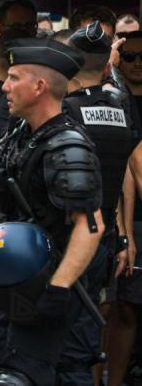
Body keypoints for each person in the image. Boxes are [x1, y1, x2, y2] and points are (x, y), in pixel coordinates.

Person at [0, 38, 105, 386]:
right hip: (16, 292)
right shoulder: (21, 136)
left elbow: (91, 226)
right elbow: (3, 209)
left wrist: (58, 290)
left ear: (39, 87)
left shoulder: (67, 145)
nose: (5, 86)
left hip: (53, 296)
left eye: (14, 77)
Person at [55, 20, 136, 385]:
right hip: (105, 233)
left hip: (67, 236)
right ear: (108, 65)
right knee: (88, 333)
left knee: (61, 340)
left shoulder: (65, 111)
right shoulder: (123, 110)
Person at [106, 30, 142, 386]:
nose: (137, 63)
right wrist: (126, 231)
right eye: (128, 56)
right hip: (131, 216)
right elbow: (126, 172)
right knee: (122, 309)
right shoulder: (116, 99)